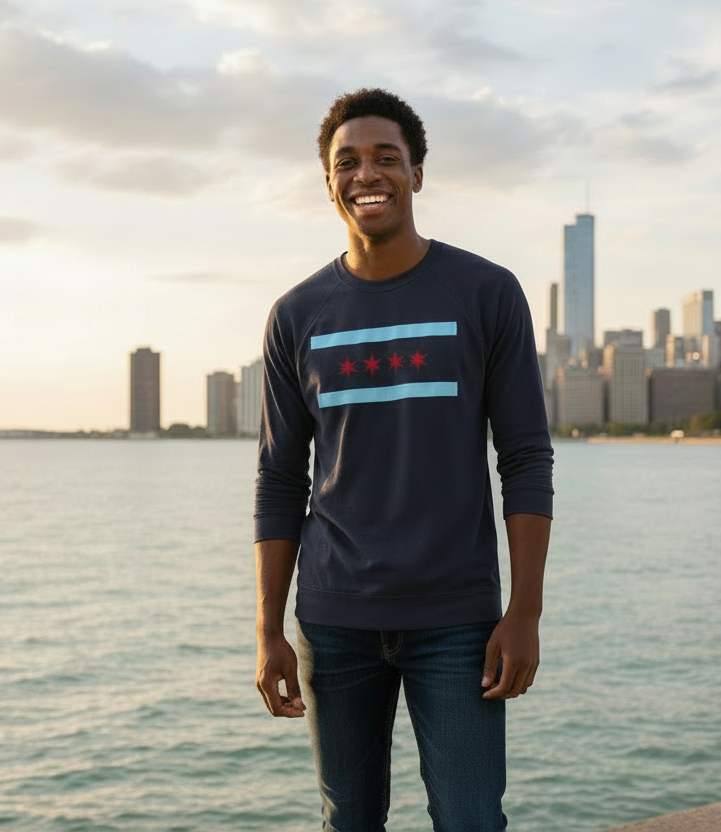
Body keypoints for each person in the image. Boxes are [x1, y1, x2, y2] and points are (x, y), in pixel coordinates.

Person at [253, 87, 553, 831]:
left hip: (457, 620)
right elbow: (280, 478)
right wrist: (268, 630)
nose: (367, 174)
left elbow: (524, 458)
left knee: (471, 818)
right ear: (328, 182)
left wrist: (525, 611)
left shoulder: (485, 293)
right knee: (347, 820)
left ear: (417, 173)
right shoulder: (296, 315)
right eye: (346, 162)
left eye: (386, 158)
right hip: (333, 617)